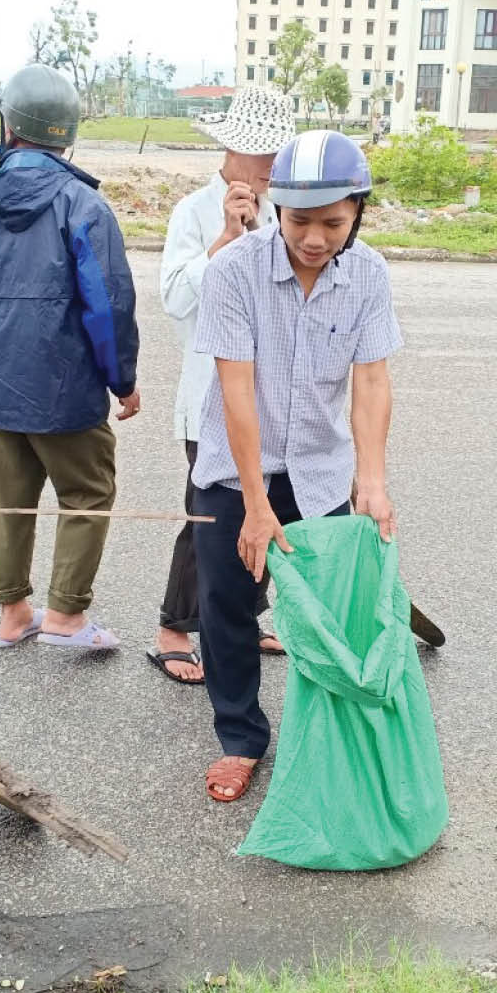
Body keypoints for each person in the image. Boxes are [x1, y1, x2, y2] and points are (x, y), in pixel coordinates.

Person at [192, 129, 403, 802]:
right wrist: (255, 503)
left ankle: (329, 737)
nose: (315, 238)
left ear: (358, 213)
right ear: (275, 208)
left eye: (333, 222)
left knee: (326, 609)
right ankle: (240, 737)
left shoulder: (368, 274)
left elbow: (371, 380)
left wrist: (371, 477)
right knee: (227, 603)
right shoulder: (233, 271)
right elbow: (236, 389)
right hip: (235, 467)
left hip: (319, 466)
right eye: (301, 220)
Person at [0, 63, 141, 651]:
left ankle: (11, 614)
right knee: (87, 492)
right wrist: (122, 379)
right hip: (66, 386)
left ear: (8, 127)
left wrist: (4, 327)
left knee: (10, 499)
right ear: (66, 133)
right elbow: (109, 304)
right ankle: (66, 616)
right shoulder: (83, 205)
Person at [151, 86, 298, 685]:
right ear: (231, 150)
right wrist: (224, 243)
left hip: (271, 397)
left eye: (275, 157)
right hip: (210, 397)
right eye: (260, 156)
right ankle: (172, 627)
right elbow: (175, 300)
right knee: (208, 517)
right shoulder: (193, 211)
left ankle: (241, 617)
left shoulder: (287, 212)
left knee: (266, 509)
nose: (268, 169)